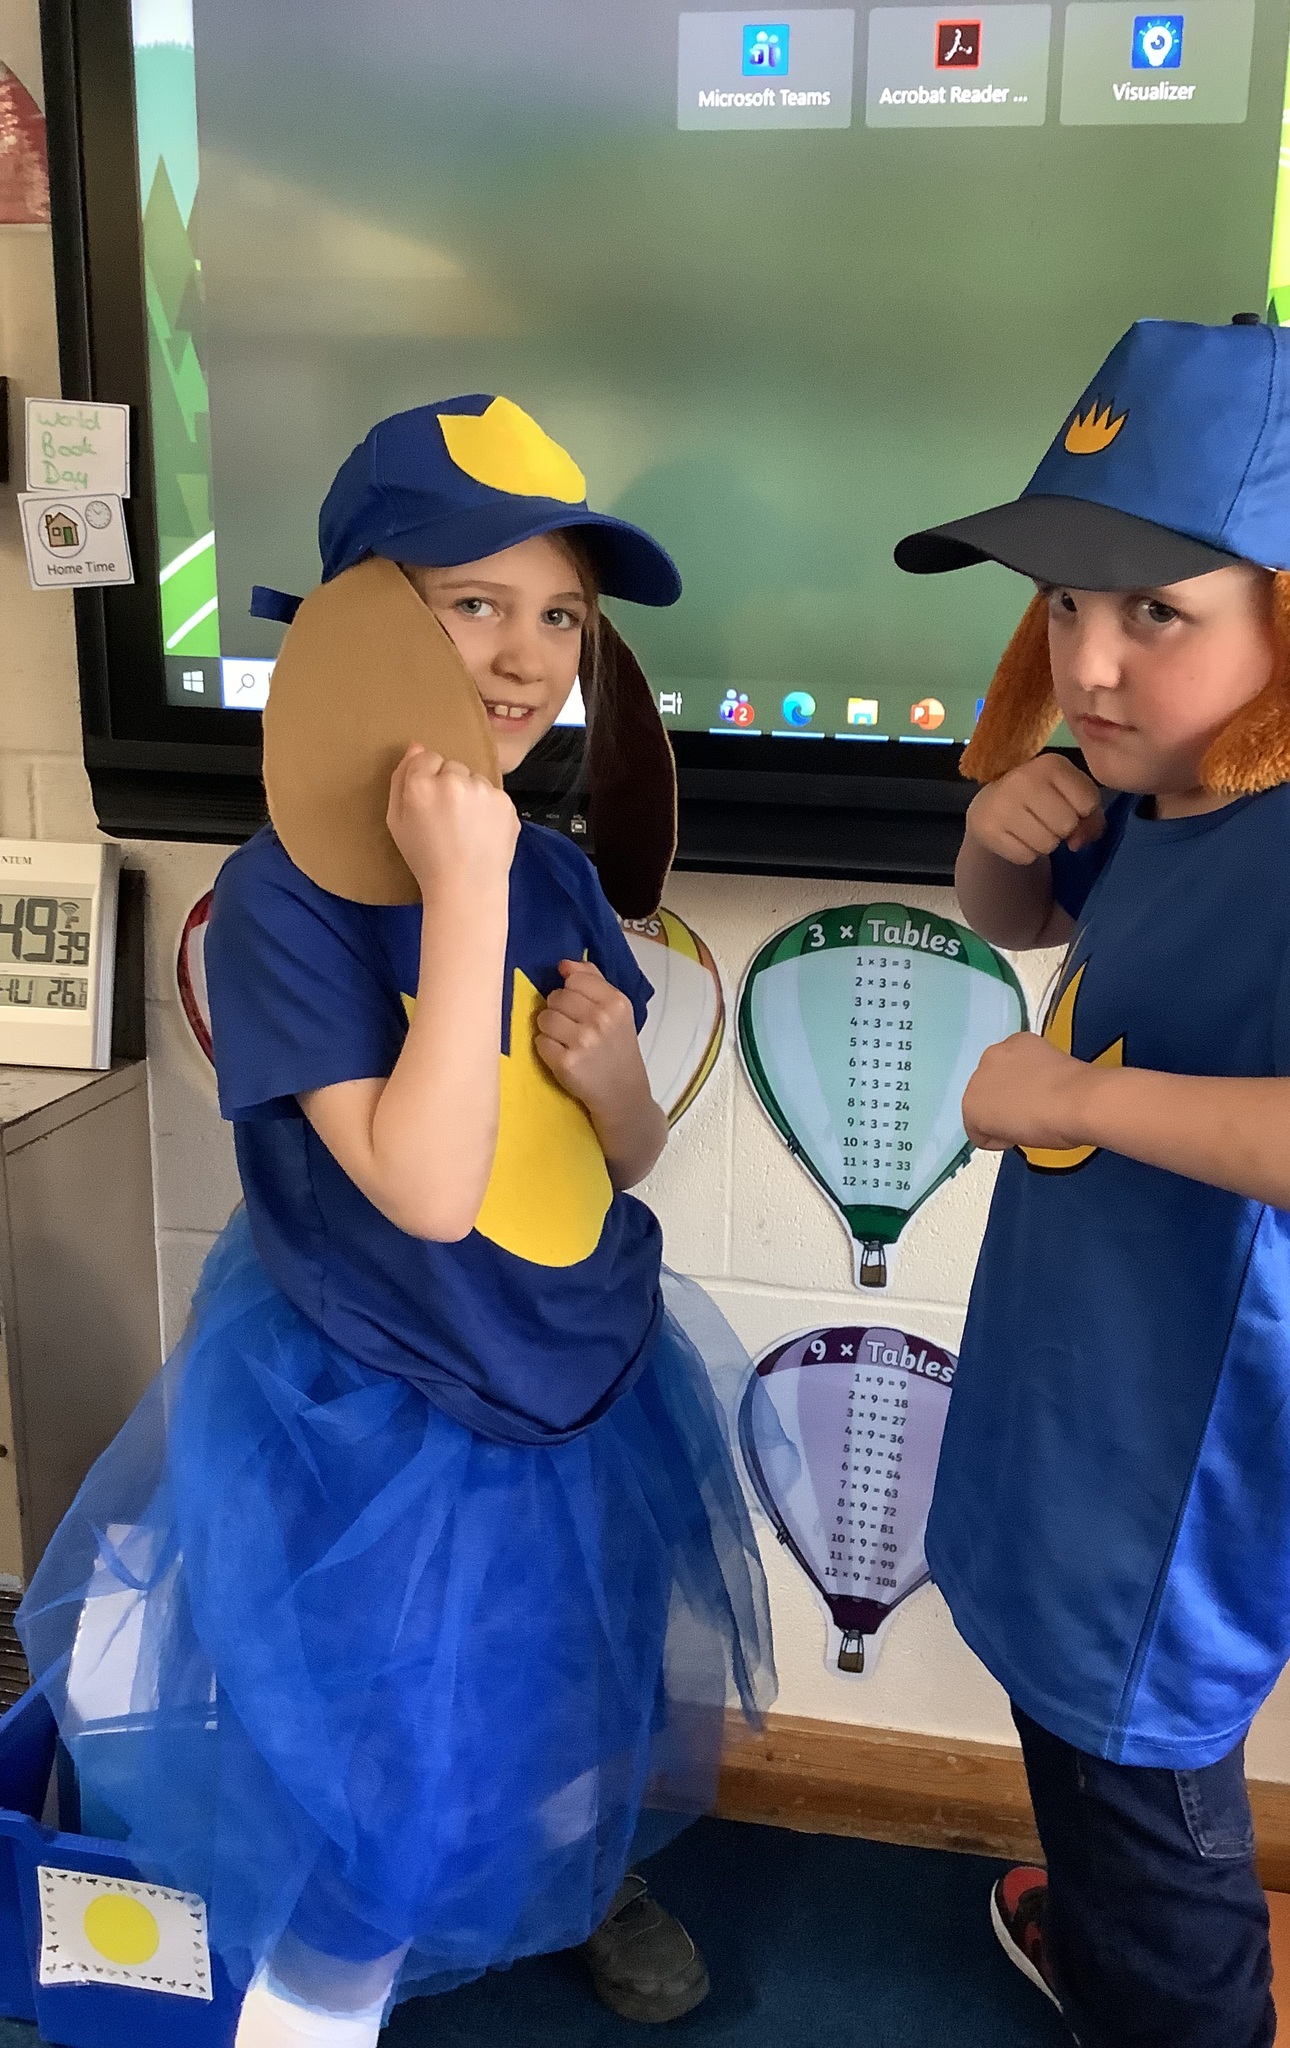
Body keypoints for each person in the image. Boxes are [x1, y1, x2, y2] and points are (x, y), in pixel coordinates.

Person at [19, 395, 773, 2048]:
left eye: (561, 615)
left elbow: (616, 1162)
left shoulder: (552, 874)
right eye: (472, 602)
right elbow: (427, 1188)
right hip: (380, 1405)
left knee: (566, 1675)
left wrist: (617, 1081)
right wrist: (467, 885)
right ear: (363, 623)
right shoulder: (281, 902)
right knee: (388, 1743)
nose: (524, 656)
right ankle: (323, 1991)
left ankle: (571, 1869)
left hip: (576, 1372)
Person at [893, 317, 1290, 2048]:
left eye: (1157, 612)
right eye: (1063, 606)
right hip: (1081, 1434)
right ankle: (1105, 1939)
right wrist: (994, 849)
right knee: (1094, 1801)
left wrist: (1082, 1097)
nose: (1091, 665)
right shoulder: (1165, 787)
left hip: (1162, 1516)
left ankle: (1158, 1990)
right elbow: (1031, 922)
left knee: (1159, 1855)